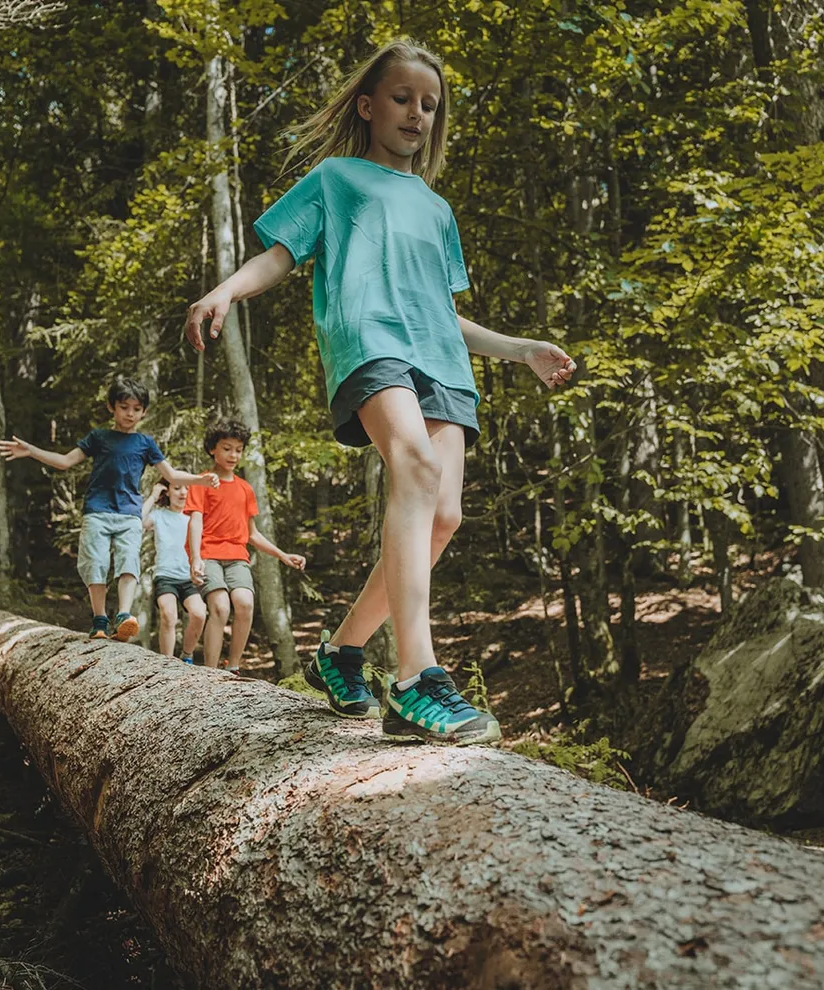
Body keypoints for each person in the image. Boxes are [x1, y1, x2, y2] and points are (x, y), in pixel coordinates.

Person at [182, 40, 575, 745]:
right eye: (402, 98)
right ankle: (415, 680)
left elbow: (442, 311)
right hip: (369, 340)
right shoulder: (335, 179)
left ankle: (340, 652)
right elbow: (280, 254)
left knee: (444, 515)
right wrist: (225, 291)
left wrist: (520, 350)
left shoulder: (434, 207)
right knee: (415, 472)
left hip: (443, 360)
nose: (416, 114)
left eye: (429, 105)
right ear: (367, 106)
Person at [0, 375, 218, 641]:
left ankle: (124, 615)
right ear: (111, 407)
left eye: (137, 409)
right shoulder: (99, 437)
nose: (130, 414)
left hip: (129, 514)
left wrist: (200, 480)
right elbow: (65, 461)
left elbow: (171, 475)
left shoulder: (145, 443)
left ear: (144, 412)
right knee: (96, 563)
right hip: (97, 512)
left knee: (128, 561)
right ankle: (100, 619)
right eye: (124, 407)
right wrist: (31, 450)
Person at [188, 420, 306, 674]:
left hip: (236, 557)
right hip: (208, 554)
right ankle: (209, 671)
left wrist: (283, 556)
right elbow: (195, 521)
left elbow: (252, 534)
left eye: (238, 450)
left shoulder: (245, 489)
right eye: (226, 448)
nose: (233, 455)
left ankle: (233, 667)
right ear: (213, 450)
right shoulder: (202, 481)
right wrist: (195, 557)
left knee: (244, 603)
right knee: (220, 606)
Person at [143, 481, 206, 663]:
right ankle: (167, 663)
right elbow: (136, 522)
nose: (183, 492)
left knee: (199, 613)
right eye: (177, 488)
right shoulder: (158, 515)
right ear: (167, 492)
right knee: (169, 614)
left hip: (189, 577)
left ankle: (187, 655)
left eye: (187, 488)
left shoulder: (194, 518)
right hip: (165, 576)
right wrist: (154, 496)